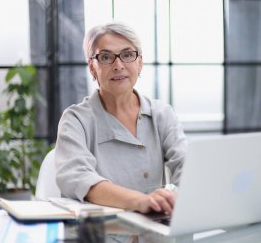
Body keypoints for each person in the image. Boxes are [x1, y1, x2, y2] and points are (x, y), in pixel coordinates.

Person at [55, 21, 187, 215]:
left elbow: (186, 165)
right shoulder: (75, 120)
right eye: (106, 57)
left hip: (155, 231)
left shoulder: (162, 113)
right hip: (104, 233)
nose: (118, 66)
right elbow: (77, 177)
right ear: (92, 67)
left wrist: (179, 199)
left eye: (127, 55)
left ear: (139, 62)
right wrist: (141, 201)